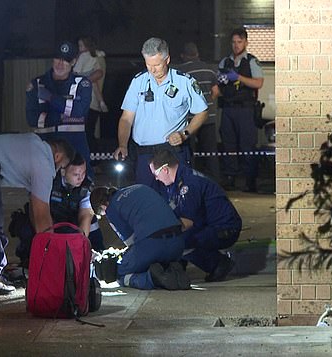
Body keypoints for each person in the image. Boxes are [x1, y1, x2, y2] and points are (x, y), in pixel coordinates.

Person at [0, 133, 75, 295]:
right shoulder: (44, 163)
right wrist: (53, 260)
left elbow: (34, 210)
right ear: (58, 156)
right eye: (62, 166)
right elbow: (42, 215)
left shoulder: (34, 143)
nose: (58, 171)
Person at [113, 37, 208, 188]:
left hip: (173, 153)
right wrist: (122, 145)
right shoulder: (138, 82)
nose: (153, 69)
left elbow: (202, 112)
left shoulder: (185, 82)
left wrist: (185, 133)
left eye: (157, 64)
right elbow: (126, 118)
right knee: (145, 201)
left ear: (167, 59)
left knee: (178, 200)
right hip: (144, 155)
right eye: (148, 64)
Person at [149, 148, 241, 282]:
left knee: (179, 241)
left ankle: (218, 264)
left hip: (224, 229)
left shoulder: (189, 184)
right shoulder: (178, 181)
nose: (156, 178)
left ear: (165, 169)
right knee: (174, 237)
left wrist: (158, 233)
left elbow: (187, 222)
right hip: (213, 226)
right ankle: (178, 267)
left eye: (155, 174)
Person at [90, 184, 190, 290]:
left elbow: (131, 242)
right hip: (178, 245)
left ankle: (154, 279)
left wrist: (122, 257)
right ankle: (172, 270)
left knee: (116, 271)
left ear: (103, 206)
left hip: (153, 246)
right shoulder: (140, 187)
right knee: (150, 258)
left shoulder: (112, 208)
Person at [12, 152, 105, 264]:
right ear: (63, 171)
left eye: (83, 173)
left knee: (92, 237)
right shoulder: (47, 181)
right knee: (26, 229)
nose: (81, 178)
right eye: (76, 174)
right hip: (47, 221)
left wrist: (79, 246)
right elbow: (36, 211)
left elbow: (85, 217)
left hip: (70, 225)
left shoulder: (86, 187)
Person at [26, 41, 94, 177]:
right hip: (46, 146)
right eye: (58, 58)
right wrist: (66, 111)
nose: (60, 64)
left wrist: (51, 99)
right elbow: (31, 119)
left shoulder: (82, 83)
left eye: (66, 60)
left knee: (82, 186)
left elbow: (79, 112)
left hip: (76, 146)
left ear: (74, 61)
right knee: (43, 190)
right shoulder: (37, 83)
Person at [217, 28, 264, 192]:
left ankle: (250, 181)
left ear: (246, 42)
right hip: (228, 109)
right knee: (228, 144)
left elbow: (258, 83)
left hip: (246, 110)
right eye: (234, 42)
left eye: (239, 42)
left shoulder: (252, 61)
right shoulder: (225, 62)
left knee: (247, 145)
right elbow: (218, 84)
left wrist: (238, 78)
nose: (236, 45)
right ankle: (230, 177)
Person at [175, 42, 220, 181]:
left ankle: (190, 181)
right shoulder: (210, 69)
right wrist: (207, 104)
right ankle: (215, 181)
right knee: (210, 153)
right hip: (209, 117)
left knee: (190, 152)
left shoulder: (180, 72)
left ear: (183, 56)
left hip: (190, 120)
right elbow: (216, 91)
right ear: (197, 54)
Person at [73, 36, 108, 156]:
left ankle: (90, 158)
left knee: (85, 132)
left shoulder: (85, 57)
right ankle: (94, 159)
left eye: (81, 46)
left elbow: (77, 75)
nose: (80, 49)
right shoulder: (99, 58)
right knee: (89, 132)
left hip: (85, 101)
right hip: (94, 103)